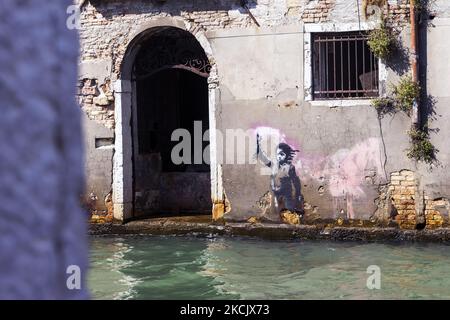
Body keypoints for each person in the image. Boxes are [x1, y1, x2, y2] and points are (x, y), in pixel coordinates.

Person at [256, 134, 304, 218]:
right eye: (277, 154)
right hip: (276, 193)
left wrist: (298, 194)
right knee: (277, 212)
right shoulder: (274, 165)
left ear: (287, 155)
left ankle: (293, 219)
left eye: (282, 154)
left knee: (289, 211)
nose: (279, 156)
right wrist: (258, 143)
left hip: (286, 194)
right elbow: (262, 157)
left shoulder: (290, 167)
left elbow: (296, 182)